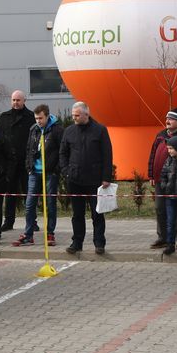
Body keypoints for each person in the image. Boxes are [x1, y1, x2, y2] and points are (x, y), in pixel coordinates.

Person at [60, 101, 113, 255]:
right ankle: (77, 242)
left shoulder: (100, 130)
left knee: (97, 213)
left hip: (95, 180)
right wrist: (66, 171)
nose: (74, 118)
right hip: (74, 179)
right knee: (77, 214)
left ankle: (99, 243)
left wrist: (106, 177)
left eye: (77, 115)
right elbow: (62, 153)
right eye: (73, 116)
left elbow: (107, 155)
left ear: (86, 114)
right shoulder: (69, 131)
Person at [12, 105, 63, 247]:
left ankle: (50, 233)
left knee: (50, 204)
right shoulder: (33, 130)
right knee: (29, 205)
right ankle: (28, 235)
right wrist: (29, 167)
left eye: (40, 118)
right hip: (34, 172)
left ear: (47, 116)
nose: (38, 121)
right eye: (36, 118)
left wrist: (56, 168)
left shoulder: (57, 130)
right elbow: (28, 149)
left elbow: (62, 151)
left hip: (50, 173)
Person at [147, 108, 177, 249]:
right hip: (161, 180)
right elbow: (153, 155)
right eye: (167, 118)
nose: (167, 120)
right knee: (160, 209)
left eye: (171, 118)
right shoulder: (160, 135)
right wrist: (151, 174)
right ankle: (163, 238)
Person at [0, 90, 34, 231]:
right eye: (13, 100)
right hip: (10, 162)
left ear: (24, 101)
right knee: (10, 193)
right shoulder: (4, 117)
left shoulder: (31, 117)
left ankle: (32, 221)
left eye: (18, 100)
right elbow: (0, 138)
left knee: (28, 193)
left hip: (26, 161)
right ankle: (9, 222)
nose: (16, 103)